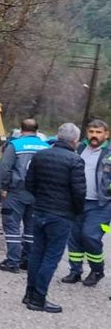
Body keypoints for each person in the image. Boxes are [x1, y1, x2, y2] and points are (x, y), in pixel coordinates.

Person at [24, 123, 86, 313]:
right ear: (75, 140)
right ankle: (38, 298)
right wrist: (77, 211)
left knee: (36, 254)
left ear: (58, 137)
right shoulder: (75, 161)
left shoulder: (40, 155)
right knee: (51, 257)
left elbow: (29, 183)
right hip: (61, 215)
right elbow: (79, 192)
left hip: (40, 211)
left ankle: (29, 294)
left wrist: (40, 200)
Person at [0, 119, 50, 273]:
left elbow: (6, 168)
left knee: (12, 226)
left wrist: (3, 187)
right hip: (38, 193)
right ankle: (28, 260)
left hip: (16, 191)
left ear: (21, 129)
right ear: (37, 130)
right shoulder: (46, 147)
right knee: (31, 228)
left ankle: (13, 261)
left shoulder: (15, 145)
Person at [61, 119, 111, 286]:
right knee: (74, 237)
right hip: (78, 201)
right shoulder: (79, 148)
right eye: (91, 132)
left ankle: (97, 270)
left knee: (90, 236)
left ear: (106, 134)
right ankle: (75, 271)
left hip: (101, 204)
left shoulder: (109, 152)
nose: (94, 135)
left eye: (98, 132)